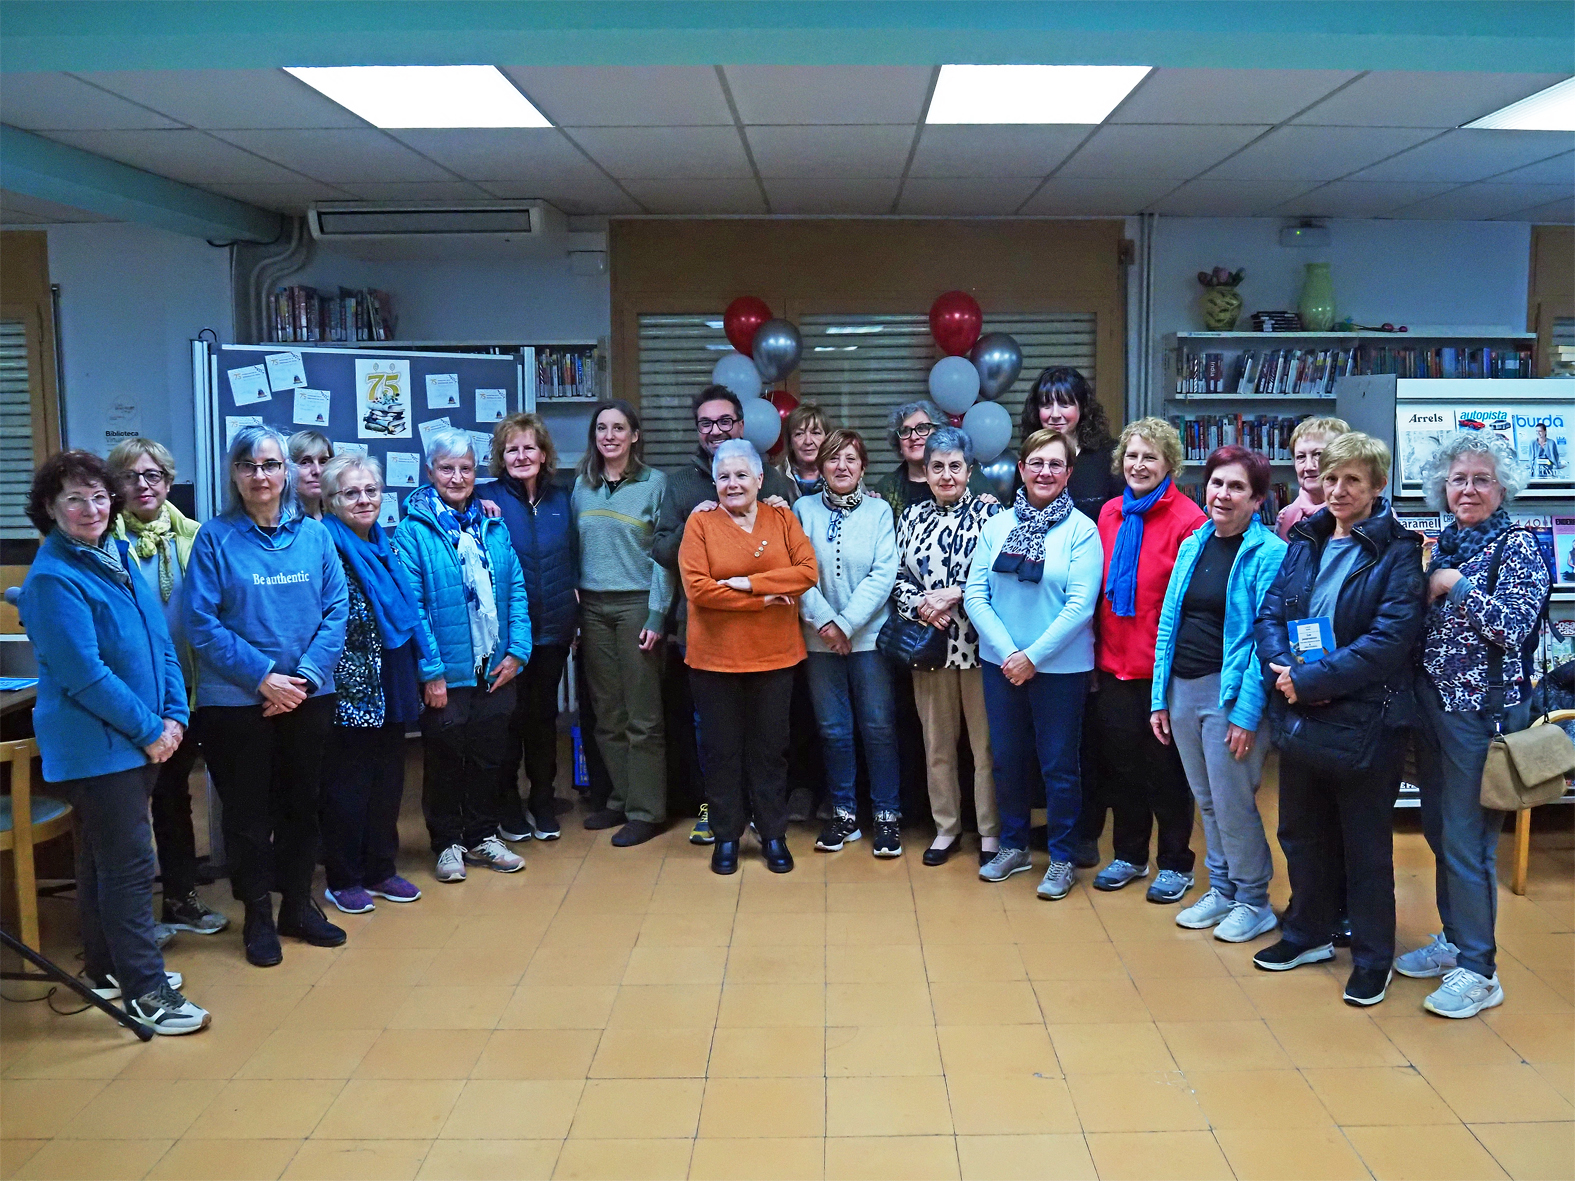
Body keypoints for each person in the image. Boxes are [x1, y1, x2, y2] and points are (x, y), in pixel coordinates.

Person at [18, 451, 210, 1034]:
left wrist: (174, 714)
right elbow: (85, 675)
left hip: (139, 737)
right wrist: (151, 730)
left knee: (101, 862)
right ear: (49, 508)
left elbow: (160, 640)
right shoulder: (52, 578)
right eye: (74, 499)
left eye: (99, 497)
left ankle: (107, 969)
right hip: (98, 747)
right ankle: (147, 992)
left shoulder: (114, 553)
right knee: (128, 867)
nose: (91, 509)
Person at [1253, 431, 1425, 1007]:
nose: (1338, 489)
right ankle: (1308, 933)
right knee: (1301, 832)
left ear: (1378, 485)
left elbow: (1389, 640)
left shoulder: (1399, 551)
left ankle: (1374, 959)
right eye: (1330, 478)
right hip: (1301, 709)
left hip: (1366, 722)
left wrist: (1311, 681)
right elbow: (1271, 613)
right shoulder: (1306, 538)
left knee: (1365, 847)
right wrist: (1286, 670)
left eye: (1353, 479)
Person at [1397, 430, 1548, 1018]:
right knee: (1440, 832)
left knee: (1468, 842)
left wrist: (1454, 587)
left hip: (1480, 713)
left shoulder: (1518, 545)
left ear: (1503, 487)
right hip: (1434, 706)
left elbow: (1511, 626)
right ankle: (1456, 941)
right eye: (1458, 480)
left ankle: (1480, 971)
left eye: (1481, 479)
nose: (1468, 490)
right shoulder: (1448, 543)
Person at [187, 425, 349, 967]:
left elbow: (337, 611)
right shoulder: (214, 538)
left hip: (308, 695)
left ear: (287, 472)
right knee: (248, 815)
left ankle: (298, 906)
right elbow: (201, 623)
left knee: (302, 806)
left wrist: (301, 680)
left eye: (271, 464)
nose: (261, 475)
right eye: (249, 465)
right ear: (234, 474)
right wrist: (263, 678)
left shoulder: (315, 536)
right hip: (236, 704)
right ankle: (257, 914)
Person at [1151, 446, 1287, 942]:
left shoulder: (1269, 553)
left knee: (1233, 803)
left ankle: (1254, 900)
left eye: (1236, 487)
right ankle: (1224, 889)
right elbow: (1170, 621)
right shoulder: (1195, 542)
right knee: (1207, 801)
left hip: (1229, 695)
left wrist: (1247, 713)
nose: (1223, 495)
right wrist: (1159, 697)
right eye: (1216, 483)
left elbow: (1263, 641)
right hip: (1183, 689)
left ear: (1257, 500)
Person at [652, 385, 797, 843]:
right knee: (714, 738)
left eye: (725, 421)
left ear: (741, 424)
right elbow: (663, 551)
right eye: (706, 423)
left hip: (769, 637)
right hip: (705, 633)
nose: (715, 430)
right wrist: (698, 525)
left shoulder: (772, 481)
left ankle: (766, 822)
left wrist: (779, 513)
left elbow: (797, 557)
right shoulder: (680, 485)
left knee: (768, 740)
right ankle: (717, 817)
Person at [966, 429, 1103, 899]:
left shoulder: (1082, 531)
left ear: (1068, 473)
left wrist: (1033, 657)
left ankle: (1062, 856)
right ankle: (1014, 846)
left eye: (1055, 464)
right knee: (1007, 760)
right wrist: (1010, 654)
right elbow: (975, 594)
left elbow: (1080, 606)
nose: (1045, 472)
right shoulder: (996, 526)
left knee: (1059, 766)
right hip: (1001, 665)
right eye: (1037, 463)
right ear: (1021, 469)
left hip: (1060, 670)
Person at [395, 428, 530, 881]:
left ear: (477, 472)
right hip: (447, 673)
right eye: (446, 469)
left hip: (495, 667)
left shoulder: (492, 525)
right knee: (446, 762)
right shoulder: (413, 532)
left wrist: (518, 652)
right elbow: (413, 609)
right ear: (430, 471)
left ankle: (483, 835)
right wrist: (431, 672)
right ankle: (447, 843)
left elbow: (515, 590)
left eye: (466, 469)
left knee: (490, 758)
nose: (457, 478)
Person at [679, 440, 819, 875]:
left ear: (760, 479)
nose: (733, 484)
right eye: (724, 477)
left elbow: (807, 572)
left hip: (775, 657)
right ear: (714, 482)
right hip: (714, 661)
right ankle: (726, 837)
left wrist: (745, 583)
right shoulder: (700, 523)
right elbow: (698, 589)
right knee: (722, 752)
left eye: (742, 475)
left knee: (770, 751)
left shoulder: (782, 517)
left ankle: (773, 834)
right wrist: (764, 598)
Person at [106, 437, 227, 936]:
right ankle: (129, 919)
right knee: (132, 807)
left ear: (169, 482)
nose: (142, 485)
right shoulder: (103, 541)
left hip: (192, 691)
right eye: (129, 476)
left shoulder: (195, 537)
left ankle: (180, 898)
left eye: (152, 475)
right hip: (132, 697)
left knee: (176, 798)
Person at [1089, 418, 1207, 903]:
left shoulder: (1189, 520)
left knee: (1167, 773)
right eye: (1132, 456)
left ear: (1169, 465)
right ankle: (1129, 855)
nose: (1139, 465)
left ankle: (1176, 863)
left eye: (1150, 457)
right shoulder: (1110, 513)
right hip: (1113, 665)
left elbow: (1189, 603)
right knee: (1123, 768)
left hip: (1163, 672)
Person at [318, 454, 432, 914]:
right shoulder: (325, 545)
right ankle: (343, 878)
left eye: (371, 490)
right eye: (351, 493)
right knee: (349, 786)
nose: (364, 500)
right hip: (348, 686)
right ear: (331, 500)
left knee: (388, 782)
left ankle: (381, 869)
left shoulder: (385, 544)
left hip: (392, 676)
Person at [1019, 368, 1123, 868]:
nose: (1056, 413)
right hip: (1045, 612)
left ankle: (1086, 833)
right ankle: (1065, 822)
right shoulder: (1033, 458)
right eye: (1047, 403)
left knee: (1091, 733)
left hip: (1099, 607)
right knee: (1057, 733)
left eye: (1066, 403)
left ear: (1083, 407)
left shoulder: (1108, 460)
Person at [892, 426, 1002, 867]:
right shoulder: (911, 517)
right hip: (930, 647)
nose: (946, 475)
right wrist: (922, 605)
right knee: (936, 746)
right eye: (937, 467)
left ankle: (990, 833)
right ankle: (946, 828)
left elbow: (1000, 575)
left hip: (980, 649)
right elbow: (896, 578)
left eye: (955, 466)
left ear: (969, 470)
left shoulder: (993, 515)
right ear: (926, 470)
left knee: (985, 749)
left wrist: (955, 594)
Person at [795, 428, 903, 856]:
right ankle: (843, 814)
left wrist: (846, 625)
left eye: (850, 459)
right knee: (833, 730)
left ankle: (887, 816)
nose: (841, 467)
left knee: (879, 728)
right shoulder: (802, 510)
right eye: (833, 458)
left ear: (863, 467)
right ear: (821, 466)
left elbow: (883, 574)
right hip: (818, 639)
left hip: (869, 639)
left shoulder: (879, 512)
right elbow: (796, 570)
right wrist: (826, 623)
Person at [574, 400, 674, 847]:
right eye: (602, 428)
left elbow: (665, 558)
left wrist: (657, 613)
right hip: (592, 609)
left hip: (637, 605)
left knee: (643, 716)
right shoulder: (582, 486)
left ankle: (647, 811)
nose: (609, 436)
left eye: (618, 428)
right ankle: (620, 798)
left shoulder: (656, 484)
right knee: (607, 714)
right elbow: (573, 548)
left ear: (635, 435)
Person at [484, 413, 578, 843]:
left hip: (554, 628)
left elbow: (576, 556)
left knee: (543, 719)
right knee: (507, 720)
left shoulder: (564, 499)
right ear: (501, 458)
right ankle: (507, 803)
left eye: (529, 448)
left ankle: (543, 799)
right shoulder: (485, 499)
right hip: (507, 635)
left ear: (543, 454)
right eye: (512, 450)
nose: (521, 456)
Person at [874, 399, 993, 519]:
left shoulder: (968, 476)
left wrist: (990, 505)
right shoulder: (887, 487)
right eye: (905, 431)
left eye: (922, 428)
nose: (913, 437)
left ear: (939, 434)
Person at [1275, 417, 1350, 541]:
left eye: (1318, 454)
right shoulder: (1284, 516)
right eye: (1301, 457)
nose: (1309, 466)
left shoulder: (1361, 513)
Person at [780, 401, 830, 497]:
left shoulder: (841, 473)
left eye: (815, 433)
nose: (808, 441)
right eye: (799, 434)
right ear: (790, 441)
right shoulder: (776, 476)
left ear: (827, 438)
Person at [288, 430, 334, 520]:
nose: (317, 471)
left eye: (323, 462)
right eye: (305, 462)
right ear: (287, 468)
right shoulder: (276, 521)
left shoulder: (340, 519)